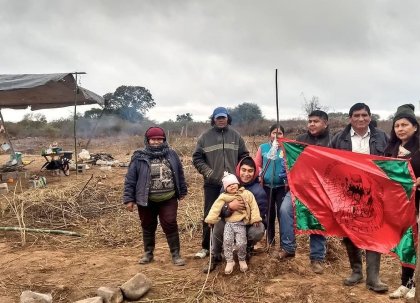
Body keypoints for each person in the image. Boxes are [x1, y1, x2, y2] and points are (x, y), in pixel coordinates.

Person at [331, 102, 389, 292]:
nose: (361, 119)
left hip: (375, 192)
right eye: (356, 115)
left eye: (364, 115)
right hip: (348, 194)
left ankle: (373, 278)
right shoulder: (339, 139)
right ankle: (356, 271)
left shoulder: (382, 137)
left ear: (370, 117)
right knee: (350, 232)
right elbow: (328, 163)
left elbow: (391, 161)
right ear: (350, 118)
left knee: (374, 230)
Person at [123, 126, 188, 266]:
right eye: (153, 139)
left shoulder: (171, 154)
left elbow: (179, 172)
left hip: (168, 197)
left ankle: (176, 254)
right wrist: (129, 199)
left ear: (164, 139)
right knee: (147, 225)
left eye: (159, 139)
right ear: (148, 140)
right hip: (146, 199)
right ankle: (148, 253)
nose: (156, 142)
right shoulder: (139, 156)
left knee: (170, 223)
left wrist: (182, 190)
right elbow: (130, 179)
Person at [192, 107, 249, 259]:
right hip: (212, 183)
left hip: (233, 184)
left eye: (223, 117)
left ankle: (234, 245)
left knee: (234, 211)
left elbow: (244, 156)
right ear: (214, 119)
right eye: (218, 118)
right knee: (210, 213)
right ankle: (206, 247)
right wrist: (209, 172)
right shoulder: (205, 137)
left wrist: (238, 175)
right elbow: (197, 158)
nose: (221, 120)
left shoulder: (236, 135)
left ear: (227, 118)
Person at [203, 156, 267, 273]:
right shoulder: (227, 186)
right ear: (238, 170)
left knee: (258, 230)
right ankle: (215, 255)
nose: (246, 174)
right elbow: (218, 208)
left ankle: (246, 249)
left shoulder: (258, 191)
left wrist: (249, 219)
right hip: (228, 221)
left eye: (250, 171)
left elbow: (261, 214)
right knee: (217, 226)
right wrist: (229, 207)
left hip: (246, 223)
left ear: (255, 172)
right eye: (244, 170)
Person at [385, 104, 420, 301]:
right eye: (397, 125)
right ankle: (406, 283)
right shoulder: (390, 149)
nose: (400, 129)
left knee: (418, 245)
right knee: (406, 244)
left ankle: (417, 284)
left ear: (415, 127)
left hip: (418, 203)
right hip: (400, 205)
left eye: (405, 124)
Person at [291, 110, 331, 273]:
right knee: (286, 209)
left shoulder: (332, 140)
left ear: (325, 123)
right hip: (301, 187)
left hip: (323, 188)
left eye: (316, 121)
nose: (312, 124)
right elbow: (293, 160)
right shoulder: (300, 140)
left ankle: (317, 258)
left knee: (318, 218)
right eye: (310, 121)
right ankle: (288, 248)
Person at [254, 124, 287, 248]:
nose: (276, 136)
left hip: (282, 187)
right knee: (269, 214)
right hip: (266, 187)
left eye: (279, 133)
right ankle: (271, 241)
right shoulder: (263, 148)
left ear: (283, 135)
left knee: (282, 214)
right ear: (270, 134)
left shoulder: (286, 148)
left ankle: (284, 244)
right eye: (274, 133)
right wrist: (260, 175)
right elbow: (257, 165)